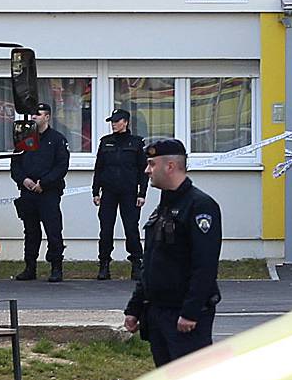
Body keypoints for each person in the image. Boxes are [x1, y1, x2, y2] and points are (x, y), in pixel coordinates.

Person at [122, 138, 224, 366]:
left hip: (184, 318)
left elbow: (205, 266)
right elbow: (151, 262)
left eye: (151, 164)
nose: (147, 170)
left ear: (170, 166)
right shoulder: (164, 206)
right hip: (159, 313)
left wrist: (191, 312)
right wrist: (135, 308)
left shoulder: (200, 206)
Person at [12, 103, 70, 283]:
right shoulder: (26, 138)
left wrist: (43, 183)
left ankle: (56, 267)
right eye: (32, 115)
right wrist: (24, 180)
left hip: (48, 193)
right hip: (28, 192)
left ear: (47, 117)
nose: (34, 117)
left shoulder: (57, 139)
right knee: (30, 231)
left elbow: (62, 166)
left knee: (53, 230)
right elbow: (16, 164)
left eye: (38, 114)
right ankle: (30, 267)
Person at [90, 106, 147, 282]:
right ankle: (104, 264)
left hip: (129, 192)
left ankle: (137, 263)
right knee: (106, 229)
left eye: (117, 121)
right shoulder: (105, 142)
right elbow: (99, 168)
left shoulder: (136, 143)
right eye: (112, 122)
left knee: (131, 228)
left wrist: (142, 193)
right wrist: (95, 191)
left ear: (126, 122)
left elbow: (142, 170)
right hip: (109, 192)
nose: (114, 125)